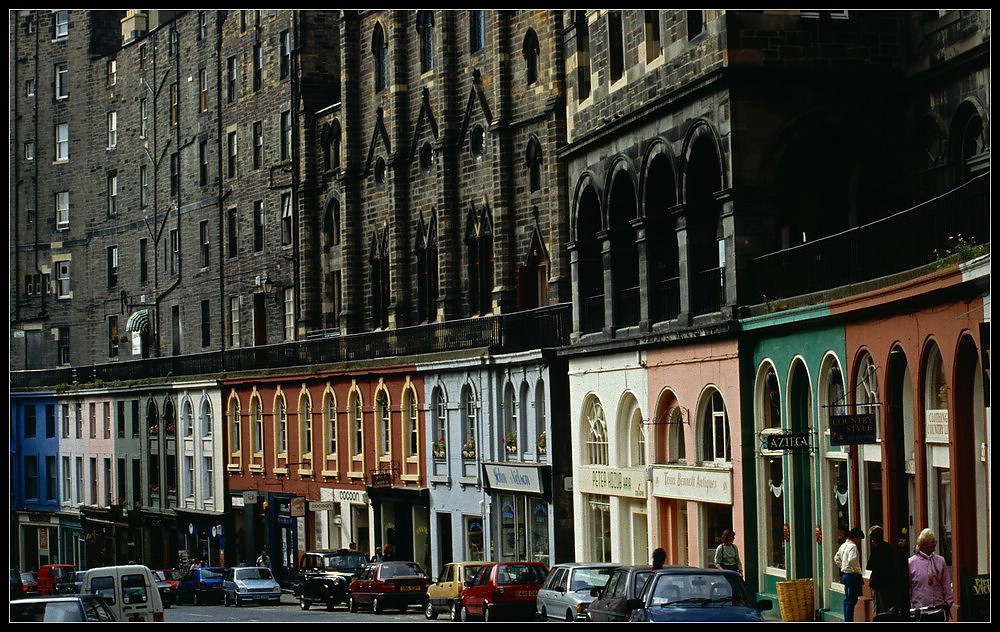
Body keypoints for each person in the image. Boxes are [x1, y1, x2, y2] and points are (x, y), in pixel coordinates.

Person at [908, 528, 953, 621]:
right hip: (920, 611)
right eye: (932, 542)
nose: (935, 543)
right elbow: (908, 587)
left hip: (938, 609)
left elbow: (946, 582)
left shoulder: (940, 561)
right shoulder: (911, 563)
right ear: (924, 544)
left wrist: (949, 601)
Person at [866, 526, 898, 620]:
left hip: (879, 583)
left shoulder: (876, 550)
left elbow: (870, 566)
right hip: (890, 582)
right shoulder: (888, 547)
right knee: (888, 605)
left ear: (873, 538)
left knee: (879, 608)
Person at [834, 527, 864, 621]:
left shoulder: (843, 545)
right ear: (855, 537)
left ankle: (847, 619)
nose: (859, 541)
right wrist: (856, 571)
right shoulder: (853, 547)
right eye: (859, 539)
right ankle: (849, 620)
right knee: (852, 600)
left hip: (845, 575)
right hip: (852, 575)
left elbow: (836, 559)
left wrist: (843, 566)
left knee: (847, 599)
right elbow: (852, 560)